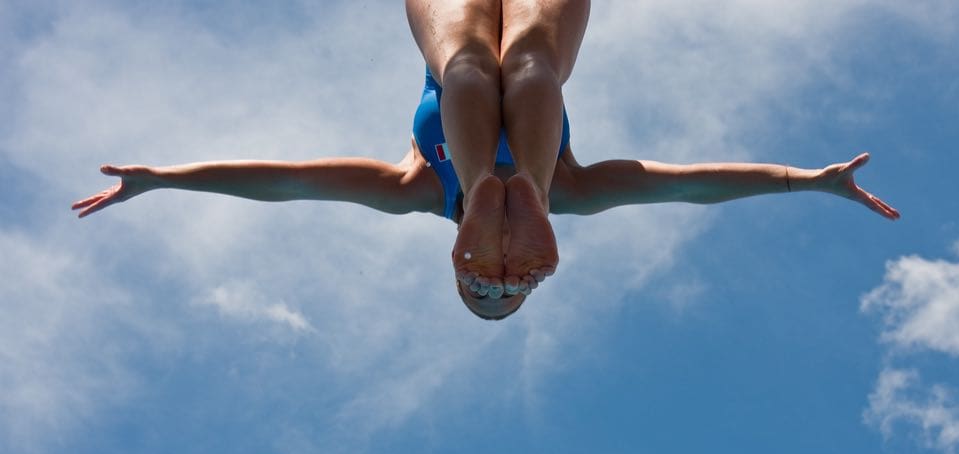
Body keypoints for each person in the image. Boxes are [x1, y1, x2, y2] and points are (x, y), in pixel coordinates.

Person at [72, 0, 900, 321]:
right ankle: (507, 183)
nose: (500, 276)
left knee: (470, 63)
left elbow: (287, 182)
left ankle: (488, 186)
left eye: (483, 282)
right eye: (512, 284)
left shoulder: (410, 188)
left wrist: (168, 178)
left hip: (460, 73)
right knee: (529, 60)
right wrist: (804, 180)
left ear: (463, 260)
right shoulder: (571, 191)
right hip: (533, 111)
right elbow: (687, 187)